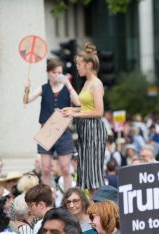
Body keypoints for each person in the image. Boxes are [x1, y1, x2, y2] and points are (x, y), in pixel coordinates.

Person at [23, 59, 79, 192]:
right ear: (49, 73)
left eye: (60, 72)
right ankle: (48, 199)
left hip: (63, 131)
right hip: (46, 130)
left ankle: (67, 198)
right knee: (46, 168)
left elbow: (78, 103)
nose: (58, 75)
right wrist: (26, 88)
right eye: (55, 72)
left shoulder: (66, 88)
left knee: (65, 168)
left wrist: (68, 85)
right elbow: (26, 100)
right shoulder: (44, 88)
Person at [62, 42, 107, 195]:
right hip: (85, 129)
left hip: (94, 130)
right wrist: (72, 109)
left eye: (79, 64)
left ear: (88, 64)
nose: (77, 67)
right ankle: (94, 210)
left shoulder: (96, 84)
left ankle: (99, 211)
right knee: (87, 175)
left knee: (93, 176)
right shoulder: (87, 82)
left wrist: (76, 114)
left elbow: (99, 111)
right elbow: (86, 107)